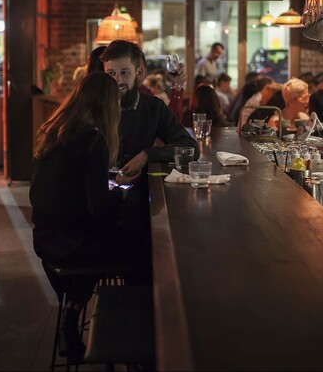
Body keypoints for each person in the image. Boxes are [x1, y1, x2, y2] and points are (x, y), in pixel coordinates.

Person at [30, 72, 126, 361]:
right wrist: (121, 194)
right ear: (108, 105)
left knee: (112, 239)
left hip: (45, 239)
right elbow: (98, 210)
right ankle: (129, 336)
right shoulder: (92, 140)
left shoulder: (53, 130)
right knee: (135, 244)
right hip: (73, 246)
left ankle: (72, 312)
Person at [101, 40, 198, 185]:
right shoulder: (93, 107)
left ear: (139, 72)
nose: (117, 80)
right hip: (97, 190)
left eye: (124, 73)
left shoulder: (153, 108)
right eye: (111, 73)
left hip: (138, 189)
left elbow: (191, 148)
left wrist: (147, 155)